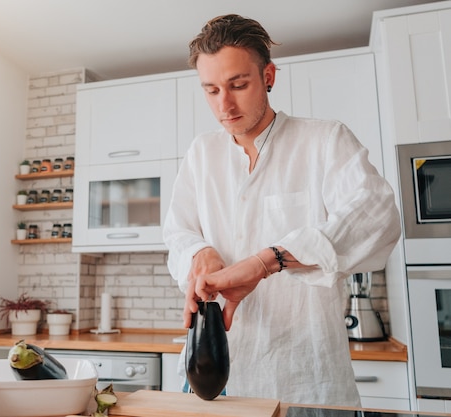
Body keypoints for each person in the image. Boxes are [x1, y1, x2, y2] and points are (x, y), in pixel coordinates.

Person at [163, 14, 401, 407]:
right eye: (211, 90)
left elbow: (378, 216)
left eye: (238, 84)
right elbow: (176, 232)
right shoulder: (201, 154)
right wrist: (198, 253)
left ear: (268, 76)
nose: (225, 104)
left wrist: (268, 261)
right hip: (209, 380)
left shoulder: (324, 140)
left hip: (304, 383)